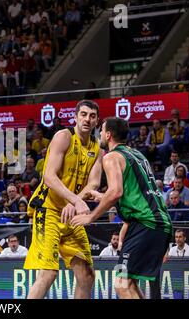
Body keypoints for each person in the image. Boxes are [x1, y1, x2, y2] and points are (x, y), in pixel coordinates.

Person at [71, 117, 172, 299]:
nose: (99, 133)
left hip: (145, 224)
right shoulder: (137, 155)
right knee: (129, 283)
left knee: (121, 284)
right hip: (159, 223)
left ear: (108, 135)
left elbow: (116, 192)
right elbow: (134, 195)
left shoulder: (111, 157)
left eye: (101, 130)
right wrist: (101, 197)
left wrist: (90, 217)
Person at [24, 100, 103, 299]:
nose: (87, 119)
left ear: (96, 121)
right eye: (83, 114)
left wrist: (73, 201)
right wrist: (76, 201)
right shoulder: (64, 136)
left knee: (86, 275)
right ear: (75, 117)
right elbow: (49, 176)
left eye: (92, 116)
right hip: (48, 209)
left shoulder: (98, 149)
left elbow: (93, 183)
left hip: (70, 214)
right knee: (49, 273)